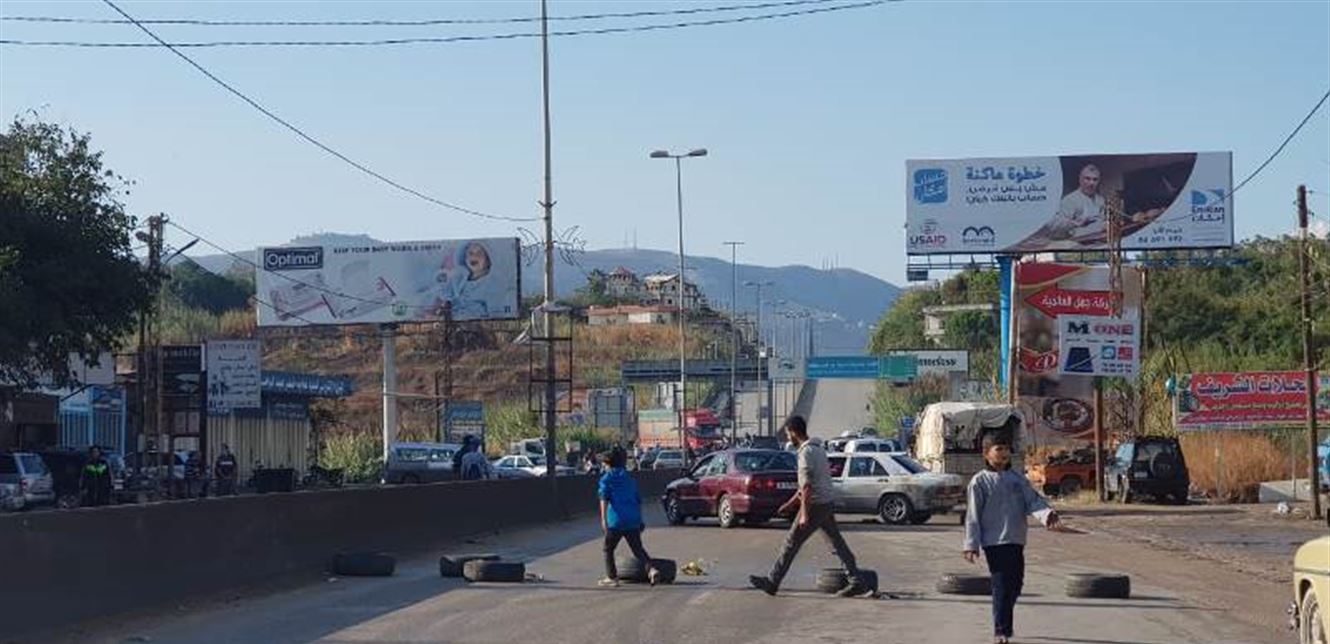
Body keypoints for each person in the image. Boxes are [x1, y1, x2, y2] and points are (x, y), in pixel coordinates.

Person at [963, 432, 1064, 644]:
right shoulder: (979, 482)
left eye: (1007, 449)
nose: (1004, 453)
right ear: (986, 453)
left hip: (1016, 539)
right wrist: (971, 544)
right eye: (999, 449)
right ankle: (1001, 630)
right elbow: (972, 515)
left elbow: (1034, 502)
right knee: (1001, 585)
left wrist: (1048, 515)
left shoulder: (1018, 479)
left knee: (1016, 584)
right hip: (993, 542)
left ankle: (1003, 622)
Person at [750, 415, 865, 597]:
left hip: (815, 505)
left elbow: (806, 486)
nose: (788, 438)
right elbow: (806, 487)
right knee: (836, 543)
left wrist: (803, 513)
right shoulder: (818, 449)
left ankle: (772, 582)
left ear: (794, 432)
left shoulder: (805, 453)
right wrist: (789, 504)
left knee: (791, 543)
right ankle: (857, 580)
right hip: (826, 502)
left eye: (788, 434)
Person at [597, 447, 663, 587]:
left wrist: (603, 519)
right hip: (632, 519)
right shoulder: (630, 479)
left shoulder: (606, 479)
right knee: (638, 549)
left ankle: (612, 577)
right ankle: (651, 570)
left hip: (616, 520)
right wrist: (639, 520)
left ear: (609, 463)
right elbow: (637, 500)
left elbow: (604, 499)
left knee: (608, 549)